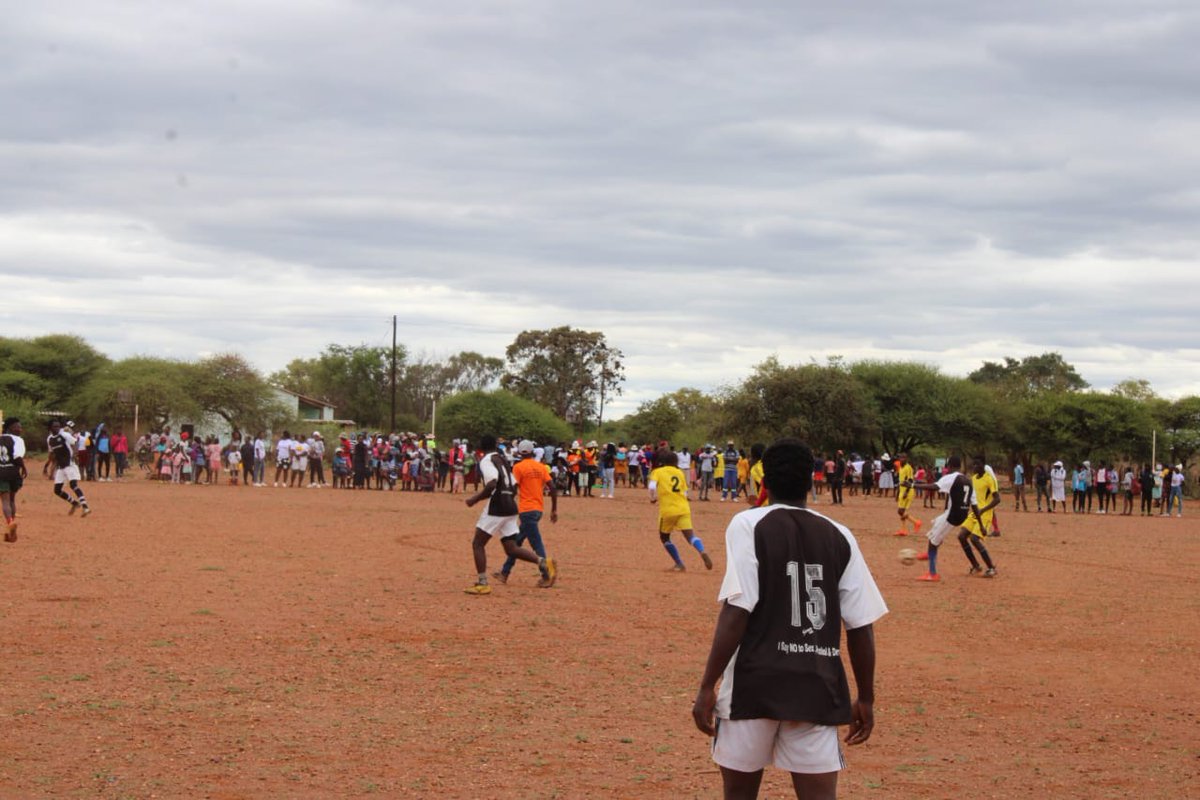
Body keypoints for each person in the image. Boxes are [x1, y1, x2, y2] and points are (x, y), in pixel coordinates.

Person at [691, 438, 886, 800]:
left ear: (763, 479)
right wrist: (867, 697)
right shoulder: (840, 535)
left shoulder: (748, 524)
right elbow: (860, 625)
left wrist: (707, 685)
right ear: (812, 480)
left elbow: (737, 609)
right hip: (816, 685)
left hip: (753, 685)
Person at [464, 435, 556, 595]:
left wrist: (474, 499)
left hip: (497, 507)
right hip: (511, 507)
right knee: (511, 548)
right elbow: (513, 485)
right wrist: (507, 497)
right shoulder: (503, 459)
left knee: (478, 544)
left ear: (481, 448)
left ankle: (482, 583)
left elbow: (492, 483)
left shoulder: (487, 460)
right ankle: (543, 562)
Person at [494, 440, 559, 587]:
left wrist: (505, 503)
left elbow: (512, 489)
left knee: (536, 544)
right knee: (516, 543)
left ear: (519, 452)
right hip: (537, 510)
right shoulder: (541, 467)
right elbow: (553, 487)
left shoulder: (518, 467)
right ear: (532, 452)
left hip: (526, 510)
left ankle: (547, 573)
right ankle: (504, 572)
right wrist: (554, 509)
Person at [906, 455, 976, 582]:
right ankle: (930, 553)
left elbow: (935, 486)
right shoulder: (967, 480)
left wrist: (913, 486)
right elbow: (974, 504)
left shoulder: (951, 477)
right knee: (935, 527)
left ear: (948, 466)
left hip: (952, 516)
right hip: (960, 515)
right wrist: (980, 524)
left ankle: (932, 573)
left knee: (933, 541)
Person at [648, 448, 712, 571]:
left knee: (665, 537)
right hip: (683, 508)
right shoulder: (680, 473)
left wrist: (652, 498)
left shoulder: (658, 471)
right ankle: (701, 550)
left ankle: (679, 563)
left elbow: (651, 486)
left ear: (663, 461)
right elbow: (685, 492)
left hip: (668, 510)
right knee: (690, 536)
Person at [959, 456, 1001, 577]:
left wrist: (984, 509)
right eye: (973, 465)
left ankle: (991, 568)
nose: (974, 467)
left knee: (974, 539)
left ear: (983, 465)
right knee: (961, 536)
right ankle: (976, 566)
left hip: (985, 514)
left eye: (977, 465)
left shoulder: (989, 479)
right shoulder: (973, 479)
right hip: (975, 513)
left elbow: (997, 499)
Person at [42, 420, 91, 516]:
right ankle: (74, 503)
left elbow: (75, 442)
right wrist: (46, 465)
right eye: (55, 426)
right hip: (60, 467)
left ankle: (85, 507)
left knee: (73, 485)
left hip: (69, 464)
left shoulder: (64, 435)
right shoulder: (49, 439)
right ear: (50, 428)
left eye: (58, 426)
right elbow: (52, 453)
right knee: (57, 490)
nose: (57, 428)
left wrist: (75, 454)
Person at [1, 418, 28, 541]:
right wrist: (23, 467)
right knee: (12, 500)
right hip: (14, 472)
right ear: (9, 427)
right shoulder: (18, 440)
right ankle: (9, 532)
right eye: (17, 427)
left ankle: (10, 523)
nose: (20, 429)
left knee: (5, 500)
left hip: (1, 472)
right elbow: (17, 456)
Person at [893, 452, 921, 537]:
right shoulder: (900, 468)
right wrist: (898, 493)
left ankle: (916, 522)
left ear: (906, 459)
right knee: (902, 512)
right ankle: (903, 530)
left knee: (900, 511)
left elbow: (910, 480)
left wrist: (906, 492)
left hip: (907, 491)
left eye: (903, 458)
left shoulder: (908, 468)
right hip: (902, 490)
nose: (902, 459)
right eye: (901, 458)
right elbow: (901, 481)